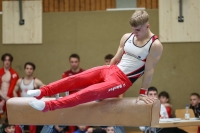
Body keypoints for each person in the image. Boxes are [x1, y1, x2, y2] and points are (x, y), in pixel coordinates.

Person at [27, 10, 163, 112]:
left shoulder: (154, 45)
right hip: (110, 70)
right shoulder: (127, 36)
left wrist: (142, 93)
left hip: (121, 81)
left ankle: (48, 106)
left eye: (138, 30)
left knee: (86, 93)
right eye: (132, 29)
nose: (135, 33)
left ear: (147, 26)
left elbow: (149, 70)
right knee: (74, 79)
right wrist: (106, 78)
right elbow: (115, 59)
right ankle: (42, 92)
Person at [13, 62, 45, 133]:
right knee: (17, 124)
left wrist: (40, 100)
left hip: (32, 106)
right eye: (27, 68)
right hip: (22, 106)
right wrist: (17, 100)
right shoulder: (19, 81)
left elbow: (45, 90)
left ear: (33, 70)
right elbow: (14, 91)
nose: (29, 70)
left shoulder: (36, 82)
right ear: (25, 70)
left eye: (31, 69)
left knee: (32, 125)